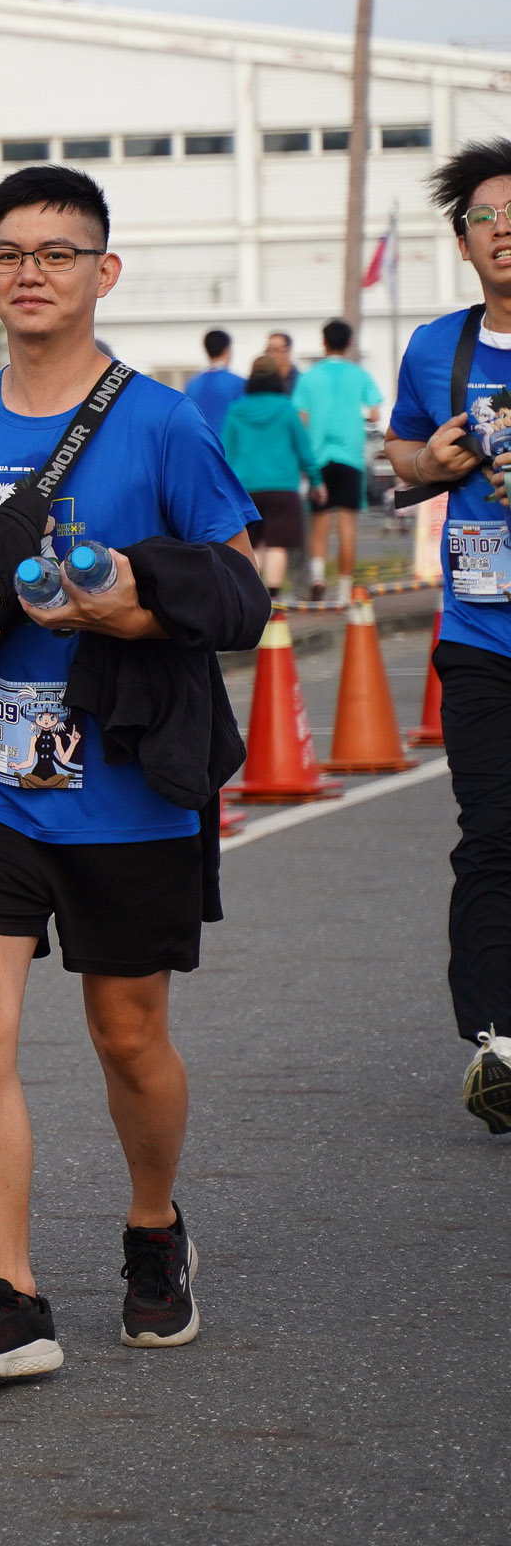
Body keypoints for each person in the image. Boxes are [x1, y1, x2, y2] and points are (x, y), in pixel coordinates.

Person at [0, 165, 256, 1380]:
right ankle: (14, 1293)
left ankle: (153, 1226)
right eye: (9, 252)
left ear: (105, 271)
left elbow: (237, 582)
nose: (30, 272)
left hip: (127, 781)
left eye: (58, 252)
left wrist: (128, 610)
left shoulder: (161, 423)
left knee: (129, 1034)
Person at [383, 137, 511, 1127]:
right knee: (493, 836)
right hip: (482, 635)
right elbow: (401, 452)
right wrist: (431, 460)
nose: (504, 231)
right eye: (485, 218)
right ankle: (499, 1044)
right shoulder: (438, 348)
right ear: (463, 242)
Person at [296, 319, 383, 607]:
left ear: (323, 342)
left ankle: (318, 578)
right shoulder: (359, 374)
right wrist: (357, 417)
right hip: (350, 457)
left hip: (318, 458)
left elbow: (302, 417)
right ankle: (345, 591)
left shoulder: (308, 377)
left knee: (319, 523)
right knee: (347, 526)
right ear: (349, 344)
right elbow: (375, 414)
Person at [219, 357, 320, 600]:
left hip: (244, 488)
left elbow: (224, 451)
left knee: (251, 545)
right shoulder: (286, 408)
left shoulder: (236, 410)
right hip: (282, 487)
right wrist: (316, 480)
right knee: (277, 544)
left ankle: (251, 597)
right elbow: (303, 448)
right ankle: (273, 598)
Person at [186, 329, 244, 439]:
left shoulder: (192, 384)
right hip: (227, 445)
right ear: (228, 350)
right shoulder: (238, 383)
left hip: (201, 444)